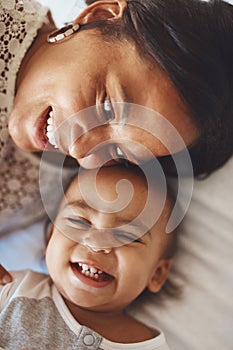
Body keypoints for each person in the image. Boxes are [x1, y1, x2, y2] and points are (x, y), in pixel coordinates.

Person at [1, 0, 233, 280]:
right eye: (108, 107)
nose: (80, 150)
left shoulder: (56, 182)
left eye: (119, 152)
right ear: (99, 15)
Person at [0, 164, 177, 349]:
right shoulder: (14, 289)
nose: (96, 243)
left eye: (126, 236)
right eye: (79, 221)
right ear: (50, 237)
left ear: (157, 274)